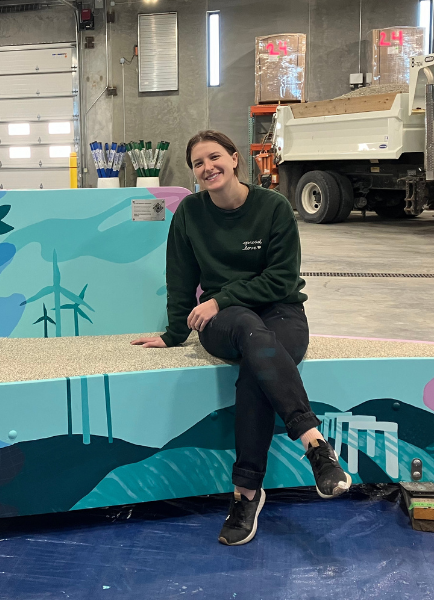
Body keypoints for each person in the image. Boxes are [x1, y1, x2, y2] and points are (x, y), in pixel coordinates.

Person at [131, 130, 351, 546]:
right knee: (249, 330)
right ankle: (316, 444)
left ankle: (246, 494)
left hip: (280, 311)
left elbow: (282, 279)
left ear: (234, 159)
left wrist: (221, 298)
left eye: (214, 157)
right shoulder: (190, 213)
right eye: (198, 163)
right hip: (226, 321)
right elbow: (180, 279)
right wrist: (175, 333)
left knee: (256, 363)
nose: (207, 167)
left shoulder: (273, 207)